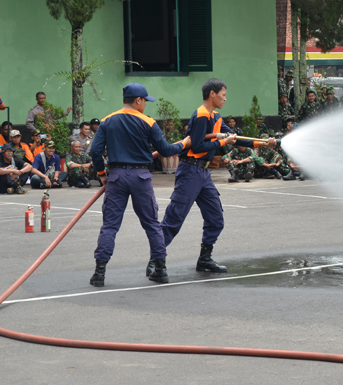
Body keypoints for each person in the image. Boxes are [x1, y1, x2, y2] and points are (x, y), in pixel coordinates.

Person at [157, 78, 270, 276]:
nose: (225, 99)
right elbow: (199, 146)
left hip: (204, 173)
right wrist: (222, 143)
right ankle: (156, 261)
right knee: (174, 218)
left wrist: (262, 144)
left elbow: (234, 137)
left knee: (215, 218)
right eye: (223, 95)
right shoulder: (201, 115)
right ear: (212, 94)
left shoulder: (215, 116)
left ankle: (205, 259)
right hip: (190, 171)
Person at [88, 82, 190, 288]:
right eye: (145, 101)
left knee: (109, 226)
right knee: (152, 224)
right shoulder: (148, 122)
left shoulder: (107, 121)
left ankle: (99, 273)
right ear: (138, 100)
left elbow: (95, 152)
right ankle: (160, 270)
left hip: (116, 177)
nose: (145, 105)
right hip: (140, 177)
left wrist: (102, 174)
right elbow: (166, 150)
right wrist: (183, 144)